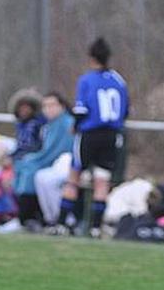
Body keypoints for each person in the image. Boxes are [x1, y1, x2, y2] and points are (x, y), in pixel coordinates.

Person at [54, 37, 129, 237]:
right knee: (102, 181)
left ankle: (61, 224)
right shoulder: (118, 80)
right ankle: (96, 228)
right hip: (112, 134)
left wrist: (75, 126)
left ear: (91, 57)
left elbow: (81, 109)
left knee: (73, 178)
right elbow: (126, 110)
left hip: (89, 133)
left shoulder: (87, 79)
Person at [0, 92, 76, 232]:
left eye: (52, 105)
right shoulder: (49, 125)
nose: (48, 109)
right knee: (33, 172)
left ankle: (59, 219)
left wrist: (31, 159)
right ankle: (49, 219)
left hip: (68, 163)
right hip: (53, 162)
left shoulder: (67, 123)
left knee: (36, 173)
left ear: (62, 106)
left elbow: (55, 151)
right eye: (45, 106)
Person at [8, 88, 46, 160]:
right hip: (20, 155)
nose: (24, 111)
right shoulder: (20, 125)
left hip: (32, 156)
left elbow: (33, 147)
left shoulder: (37, 123)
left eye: (27, 108)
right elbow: (20, 146)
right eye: (21, 108)